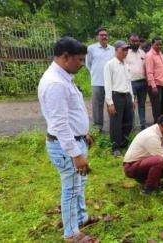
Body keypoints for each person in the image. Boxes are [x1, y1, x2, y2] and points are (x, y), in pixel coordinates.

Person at [38, 37, 97, 242]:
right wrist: (75, 153)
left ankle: (81, 218)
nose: (82, 64)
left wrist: (84, 133)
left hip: (75, 140)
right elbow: (60, 124)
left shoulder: (63, 78)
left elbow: (71, 113)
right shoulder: (55, 83)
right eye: (79, 60)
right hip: (66, 147)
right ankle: (72, 234)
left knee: (79, 184)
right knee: (71, 189)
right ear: (65, 57)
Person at [104, 40, 134, 157]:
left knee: (128, 121)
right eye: (123, 49)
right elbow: (107, 84)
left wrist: (132, 98)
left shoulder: (126, 64)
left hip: (127, 95)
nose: (126, 52)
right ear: (116, 50)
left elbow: (129, 82)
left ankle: (123, 143)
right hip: (116, 96)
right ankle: (115, 147)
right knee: (116, 123)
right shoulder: (110, 64)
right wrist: (110, 103)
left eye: (127, 49)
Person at [86, 27, 115, 132]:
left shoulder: (112, 49)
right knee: (97, 106)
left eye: (106, 35)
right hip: (97, 82)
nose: (104, 37)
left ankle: (113, 126)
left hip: (111, 83)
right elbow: (88, 64)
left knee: (111, 104)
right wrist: (95, 73)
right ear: (97, 37)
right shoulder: (91, 48)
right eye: (102, 35)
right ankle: (98, 127)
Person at [126, 34, 148, 130]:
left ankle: (142, 123)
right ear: (129, 41)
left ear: (139, 42)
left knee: (142, 104)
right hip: (131, 82)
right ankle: (132, 125)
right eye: (133, 41)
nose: (135, 43)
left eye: (136, 41)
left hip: (143, 82)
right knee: (131, 104)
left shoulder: (143, 53)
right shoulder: (126, 53)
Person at [146, 37, 163, 123]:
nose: (159, 46)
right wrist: (153, 86)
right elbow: (149, 72)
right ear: (152, 44)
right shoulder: (149, 55)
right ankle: (157, 126)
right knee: (157, 108)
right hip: (155, 86)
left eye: (160, 44)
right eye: (157, 44)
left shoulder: (160, 54)